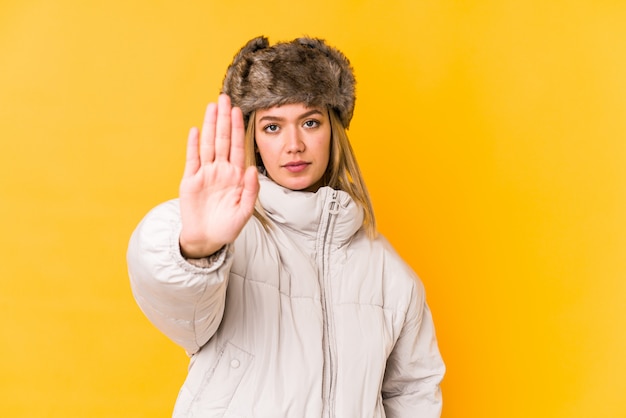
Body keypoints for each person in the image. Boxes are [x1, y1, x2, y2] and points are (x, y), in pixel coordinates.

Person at [127, 36, 445, 417]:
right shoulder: (231, 241)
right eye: (273, 127)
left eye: (310, 122)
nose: (293, 144)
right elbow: (174, 301)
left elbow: (414, 394)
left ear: (334, 131)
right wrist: (196, 249)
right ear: (255, 139)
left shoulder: (390, 276)